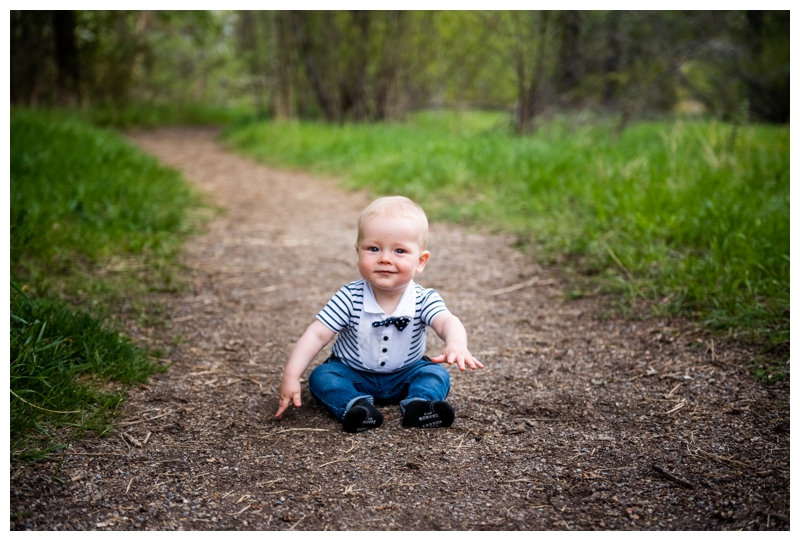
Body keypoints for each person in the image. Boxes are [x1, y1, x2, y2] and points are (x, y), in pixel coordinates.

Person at [275, 196, 483, 432]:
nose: (385, 258)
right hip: (353, 373)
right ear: (358, 252)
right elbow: (316, 335)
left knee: (435, 374)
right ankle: (356, 407)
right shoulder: (349, 297)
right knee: (323, 377)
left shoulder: (423, 298)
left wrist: (456, 344)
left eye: (400, 251)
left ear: (420, 261)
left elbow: (446, 321)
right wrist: (291, 376)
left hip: (406, 373)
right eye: (373, 249)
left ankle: (420, 405)